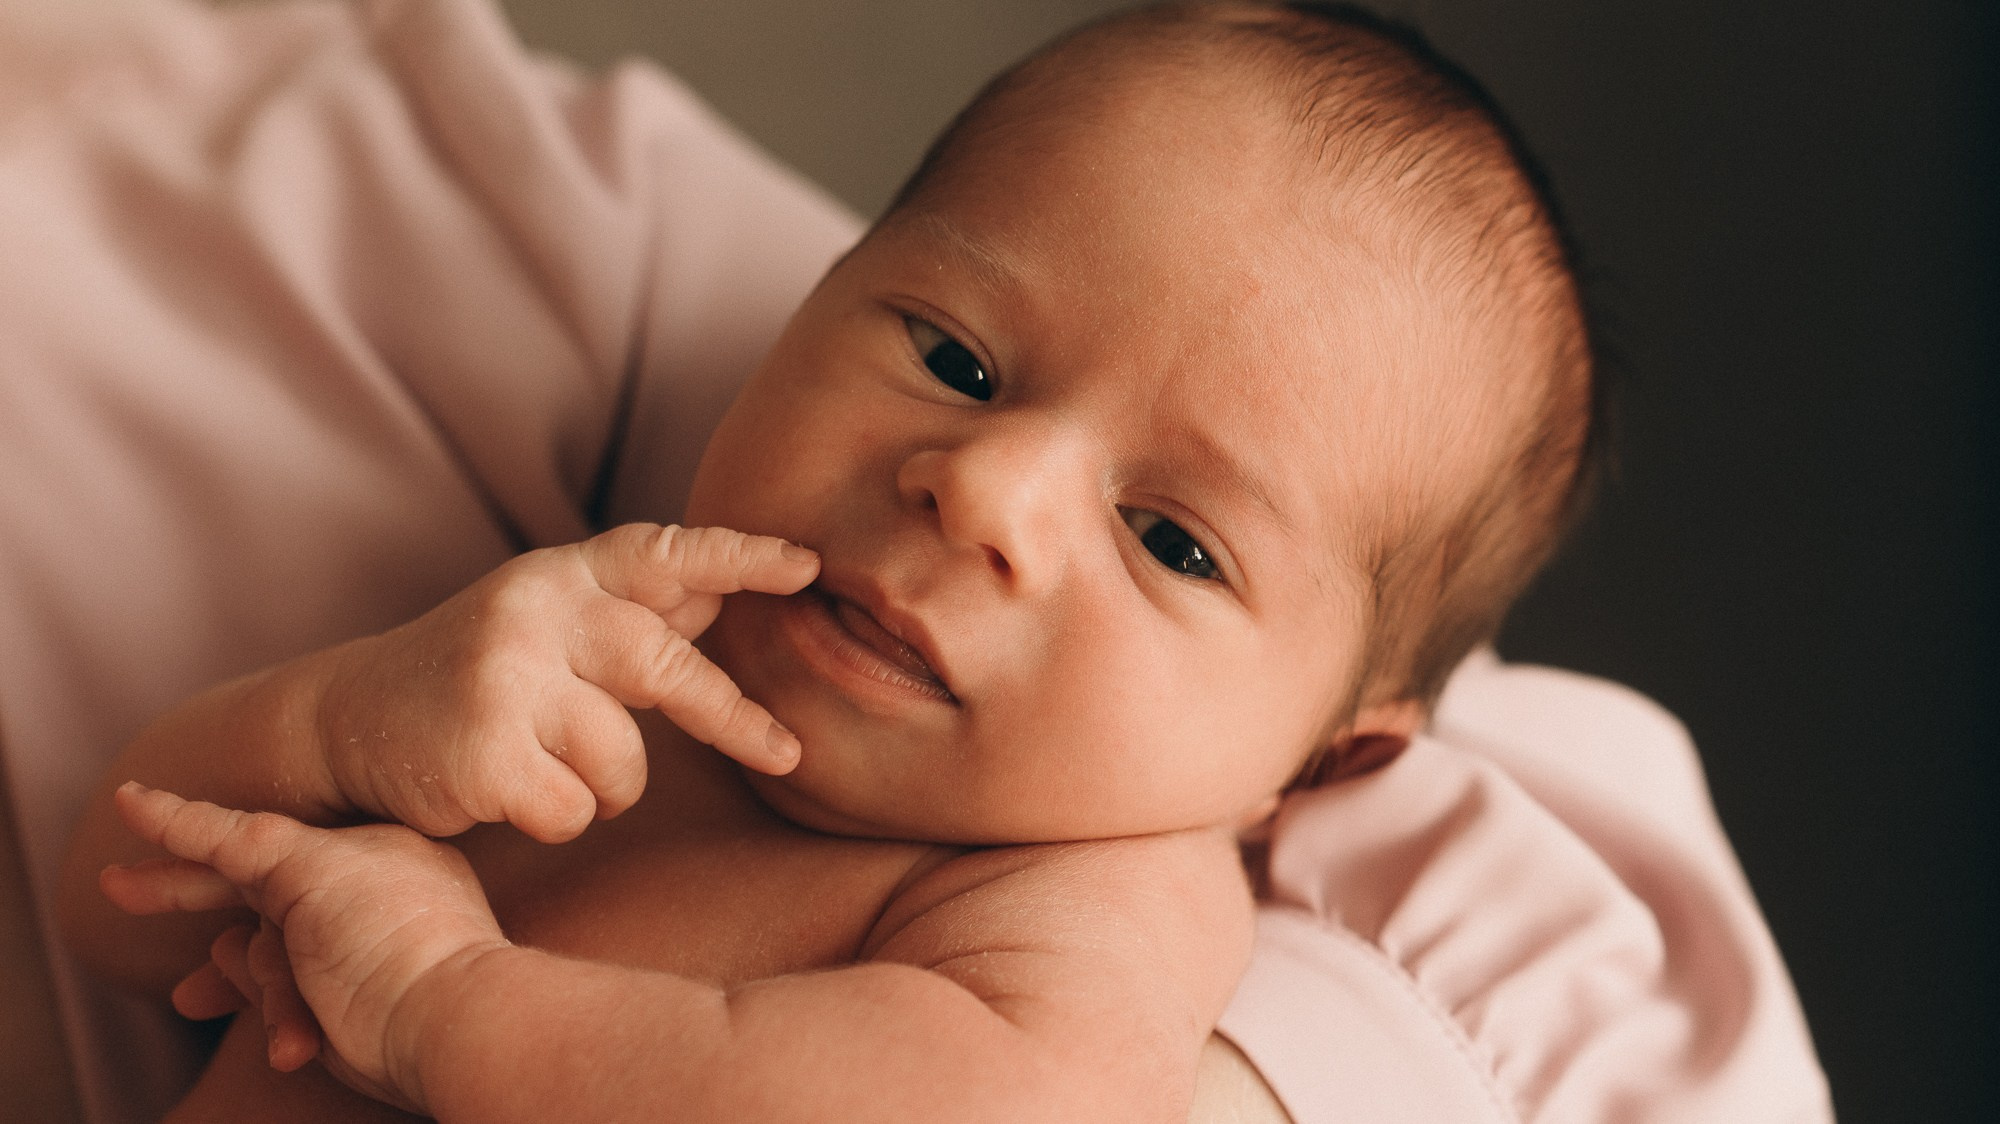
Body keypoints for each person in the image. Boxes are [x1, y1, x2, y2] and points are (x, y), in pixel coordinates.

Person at [56, 3, 1605, 1119]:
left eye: (1173, 541)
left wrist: (443, 1004)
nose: (987, 489)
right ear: (811, 292)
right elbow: (115, 917)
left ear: (1320, 764)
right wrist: (339, 730)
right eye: (955, 356)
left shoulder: (1078, 896)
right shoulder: (592, 653)